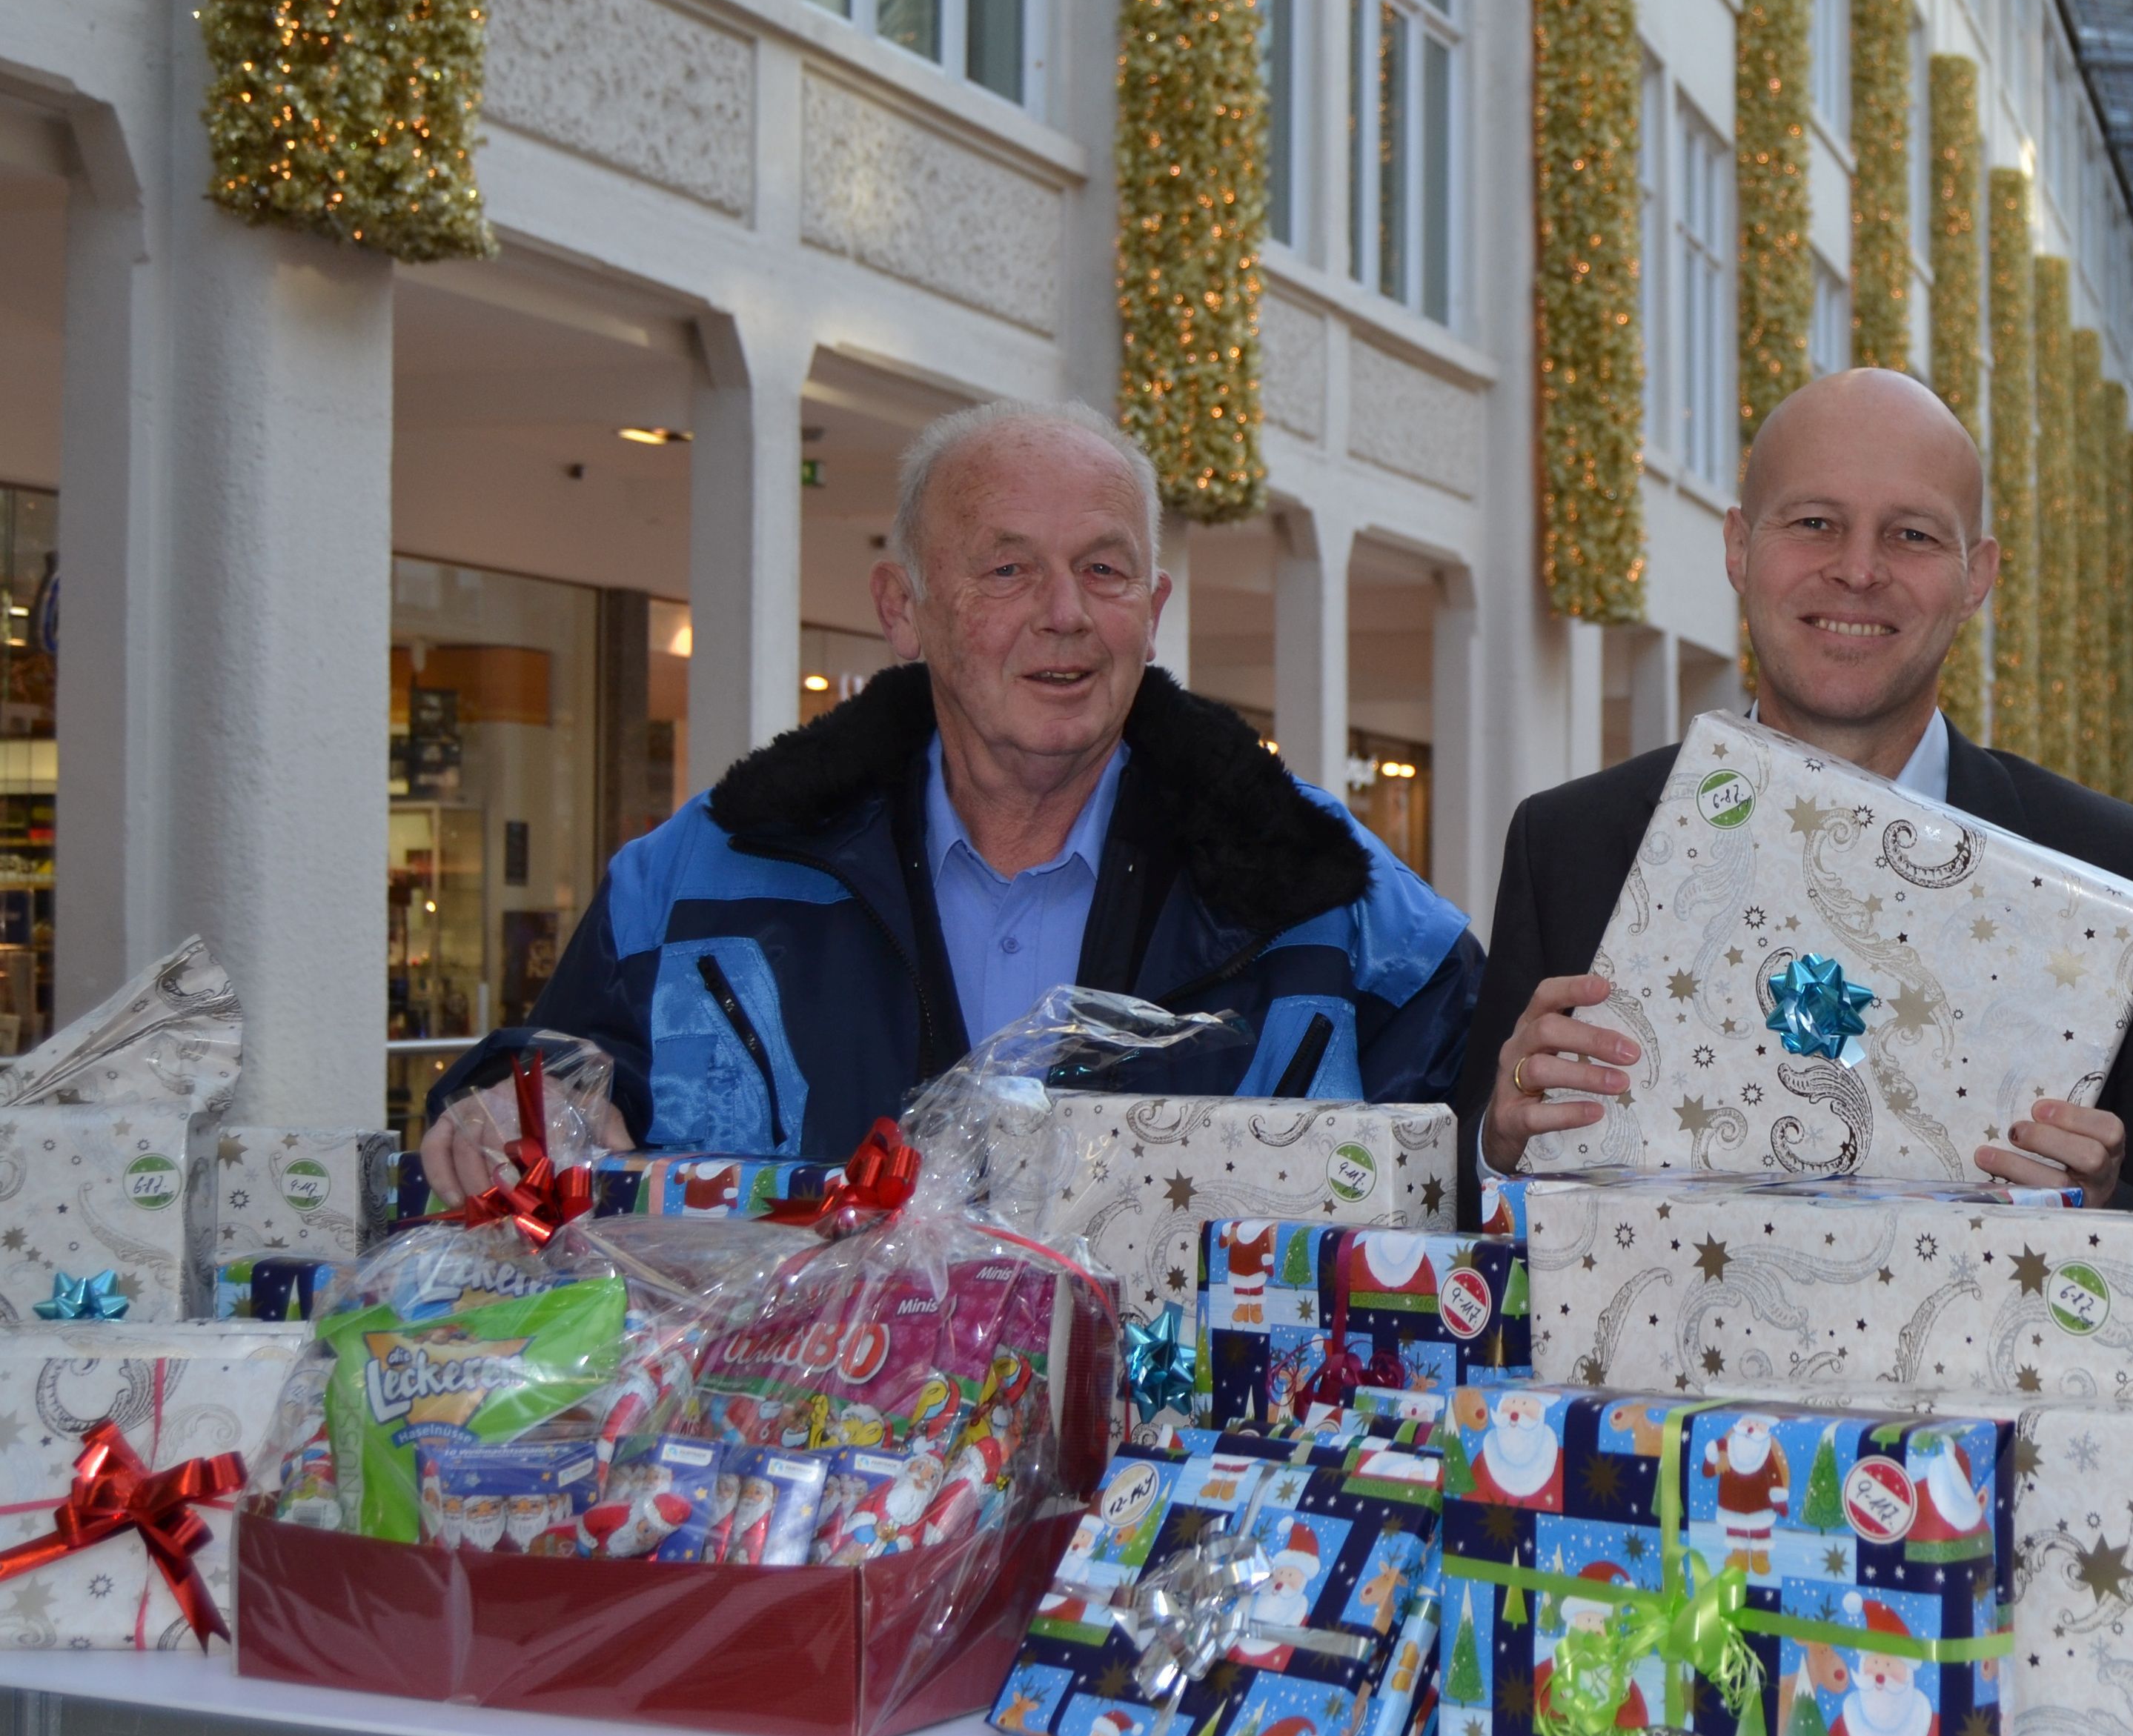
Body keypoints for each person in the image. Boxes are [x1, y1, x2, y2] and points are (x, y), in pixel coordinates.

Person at [420, 401, 1482, 1200]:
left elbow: (1476, 1151)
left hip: (1165, 1486)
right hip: (800, 1469)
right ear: (905, 609)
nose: (1063, 615)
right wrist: (511, 1109)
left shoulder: (1332, 905)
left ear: (1151, 613)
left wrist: (1511, 1132)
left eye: (1104, 571)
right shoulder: (702, 879)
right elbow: (559, 1078)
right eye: (1007, 570)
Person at [1454, 369, 2133, 1208]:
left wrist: (2109, 1208)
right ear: (1738, 548)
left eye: (1913, 535)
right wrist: (1498, 1148)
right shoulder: (1568, 846)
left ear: (1978, 576)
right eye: (1815, 522)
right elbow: (1470, 1220)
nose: (1859, 570)